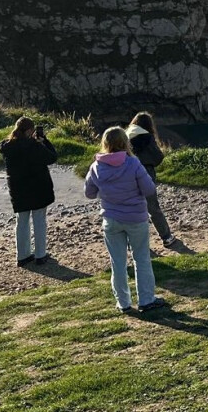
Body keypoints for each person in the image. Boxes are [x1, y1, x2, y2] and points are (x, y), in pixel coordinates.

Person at [84, 126, 165, 314]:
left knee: (117, 262)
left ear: (105, 143)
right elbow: (149, 189)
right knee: (142, 259)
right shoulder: (133, 163)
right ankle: (146, 299)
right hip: (135, 218)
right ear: (125, 142)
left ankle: (123, 302)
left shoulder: (96, 166)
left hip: (111, 219)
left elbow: (89, 193)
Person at [0, 116, 57, 267]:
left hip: (18, 189)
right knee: (39, 220)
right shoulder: (34, 146)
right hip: (38, 187)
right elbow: (52, 157)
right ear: (30, 130)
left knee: (22, 221)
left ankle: (23, 256)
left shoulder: (7, 147)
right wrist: (45, 141)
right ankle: (40, 255)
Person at [126, 111, 178, 248]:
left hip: (127, 174)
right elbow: (157, 157)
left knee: (132, 207)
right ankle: (166, 237)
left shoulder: (125, 135)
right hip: (146, 172)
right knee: (152, 207)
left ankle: (133, 242)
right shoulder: (146, 137)